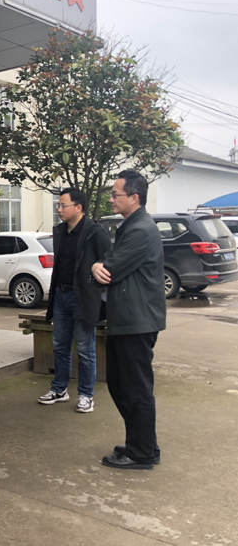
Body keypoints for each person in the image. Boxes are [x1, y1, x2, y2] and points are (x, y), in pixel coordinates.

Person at [92, 170, 166, 470]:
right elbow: (107, 262)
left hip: (136, 321)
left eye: (115, 194)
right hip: (127, 318)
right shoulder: (131, 226)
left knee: (134, 388)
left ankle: (141, 453)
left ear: (134, 197)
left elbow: (110, 268)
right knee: (121, 384)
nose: (111, 199)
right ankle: (144, 443)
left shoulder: (140, 230)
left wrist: (97, 266)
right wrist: (97, 266)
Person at [39, 188, 111, 413]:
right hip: (61, 295)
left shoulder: (94, 232)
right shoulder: (60, 231)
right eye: (58, 205)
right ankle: (59, 389)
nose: (59, 209)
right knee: (60, 345)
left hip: (84, 298)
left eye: (63, 205)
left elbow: (108, 259)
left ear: (78, 207)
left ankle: (86, 395)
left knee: (85, 348)